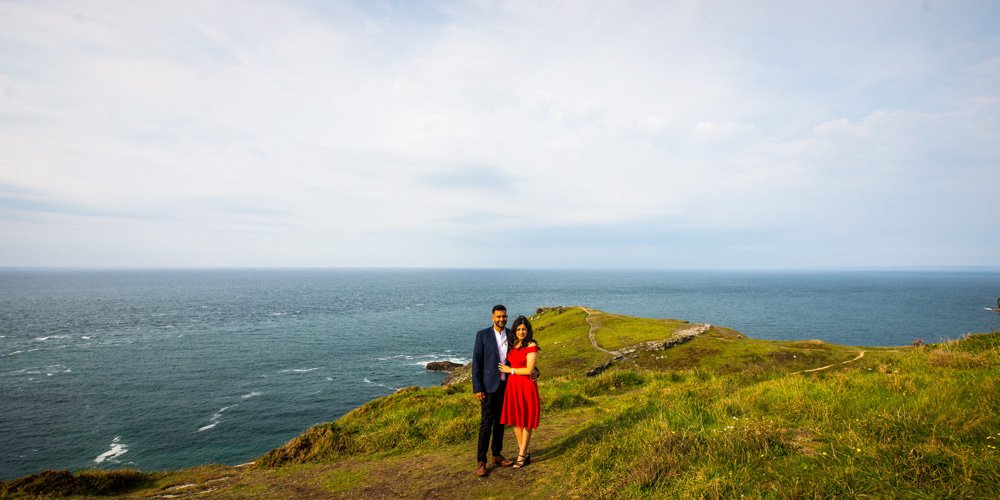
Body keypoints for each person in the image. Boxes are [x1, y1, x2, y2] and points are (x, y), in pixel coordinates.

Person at [472, 305, 515, 477]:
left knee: (500, 423)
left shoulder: (511, 335)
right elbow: (477, 362)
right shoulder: (482, 335)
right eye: (498, 317)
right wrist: (477, 387)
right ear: (492, 317)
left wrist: (534, 370)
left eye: (504, 316)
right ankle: (481, 461)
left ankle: (497, 455)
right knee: (486, 424)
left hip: (507, 386)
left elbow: (520, 357)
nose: (502, 319)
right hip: (488, 387)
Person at [498, 315, 541, 469]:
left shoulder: (531, 345)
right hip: (513, 386)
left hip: (526, 385)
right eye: (518, 329)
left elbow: (530, 369)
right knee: (516, 421)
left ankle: (521, 455)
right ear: (515, 331)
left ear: (528, 330)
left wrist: (511, 370)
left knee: (526, 421)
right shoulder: (513, 344)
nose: (521, 332)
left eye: (524, 329)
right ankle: (525, 451)